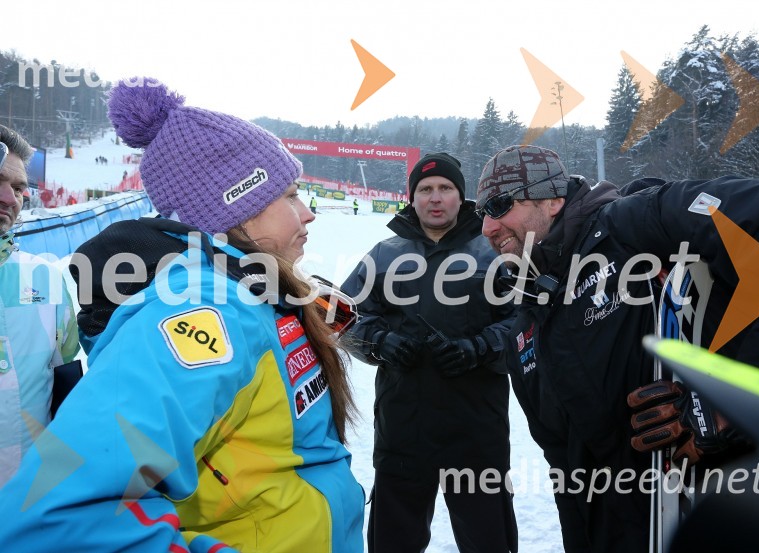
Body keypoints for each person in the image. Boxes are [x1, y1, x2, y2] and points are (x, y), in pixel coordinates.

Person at [0, 79, 364, 552]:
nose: (308, 213)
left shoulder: (251, 292)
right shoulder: (208, 308)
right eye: (291, 195)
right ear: (240, 206)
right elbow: (59, 514)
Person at [475, 145, 759, 552]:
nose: (487, 227)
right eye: (481, 212)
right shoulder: (526, 328)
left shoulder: (638, 224)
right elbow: (569, 479)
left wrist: (736, 404)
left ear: (553, 199)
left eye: (499, 205)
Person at [341, 152, 518, 553]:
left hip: (477, 428)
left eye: (445, 188)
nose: (435, 198)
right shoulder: (384, 254)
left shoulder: (493, 251)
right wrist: (381, 342)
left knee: (488, 538)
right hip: (403, 426)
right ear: (412, 197)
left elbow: (523, 321)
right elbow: (343, 318)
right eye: (425, 189)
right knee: (393, 541)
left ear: (461, 196)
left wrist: (479, 348)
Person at [0, 124, 80, 488]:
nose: (10, 198)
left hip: (31, 498)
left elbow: (67, 384)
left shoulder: (45, 278)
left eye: (18, 188)